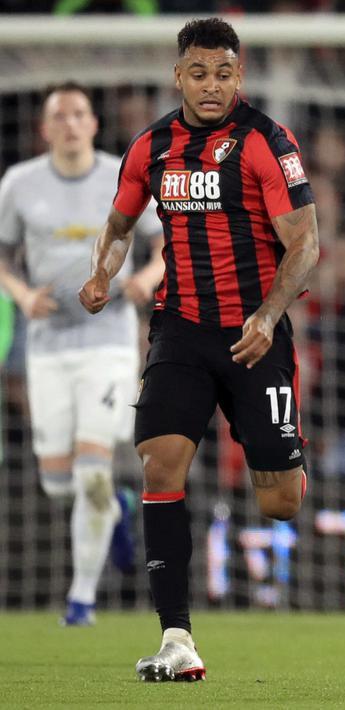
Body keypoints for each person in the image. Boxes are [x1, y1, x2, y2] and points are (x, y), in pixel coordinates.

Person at [78, 18, 319, 682]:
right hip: (180, 329)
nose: (210, 85)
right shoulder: (152, 146)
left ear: (238, 76)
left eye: (222, 73)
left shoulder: (268, 143)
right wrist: (102, 270)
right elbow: (120, 223)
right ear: (177, 75)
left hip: (254, 334)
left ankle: (288, 453)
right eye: (197, 72)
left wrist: (270, 314)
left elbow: (305, 243)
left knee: (279, 501)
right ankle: (176, 638)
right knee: (160, 466)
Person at [0, 82, 163, 627]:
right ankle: (117, 510)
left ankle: (81, 601)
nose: (69, 124)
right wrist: (22, 294)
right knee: (57, 483)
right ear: (44, 129)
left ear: (94, 124)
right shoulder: (20, 185)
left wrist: (145, 276)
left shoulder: (125, 175)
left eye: (79, 114)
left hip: (108, 338)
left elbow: (168, 241)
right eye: (58, 116)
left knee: (92, 470)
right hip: (47, 347)